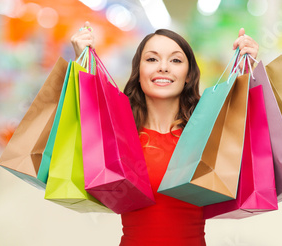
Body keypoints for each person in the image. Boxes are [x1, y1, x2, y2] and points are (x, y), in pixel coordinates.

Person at [71, 21, 259, 245]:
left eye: (176, 60)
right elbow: (84, 123)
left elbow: (252, 152)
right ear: (138, 73)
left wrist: (247, 77)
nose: (163, 67)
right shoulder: (120, 134)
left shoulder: (207, 135)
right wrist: (83, 62)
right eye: (152, 59)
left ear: (188, 75)